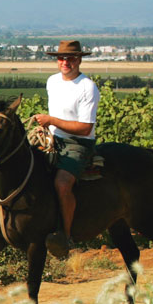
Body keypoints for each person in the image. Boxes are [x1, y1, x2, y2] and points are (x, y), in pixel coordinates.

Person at [29, 39, 101, 260]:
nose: (65, 62)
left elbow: (85, 127)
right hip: (53, 138)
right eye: (61, 58)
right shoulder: (52, 82)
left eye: (70, 58)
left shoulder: (87, 87)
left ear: (79, 59)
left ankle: (65, 236)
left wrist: (52, 120)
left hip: (78, 143)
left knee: (61, 184)